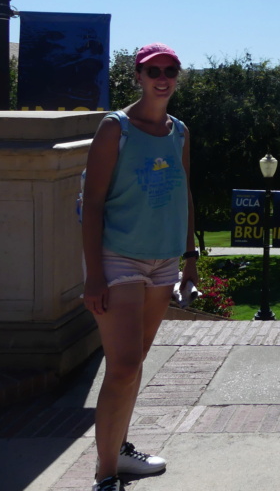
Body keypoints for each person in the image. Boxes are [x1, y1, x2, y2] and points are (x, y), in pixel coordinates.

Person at [81, 43, 197, 491]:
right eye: (154, 71)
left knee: (136, 361)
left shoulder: (180, 131)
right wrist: (93, 274)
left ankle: (121, 449)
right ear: (139, 76)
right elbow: (92, 205)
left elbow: (184, 194)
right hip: (119, 257)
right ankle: (105, 475)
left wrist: (189, 261)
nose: (162, 77)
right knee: (124, 365)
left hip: (165, 261)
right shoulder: (116, 129)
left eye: (170, 70)